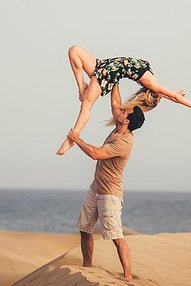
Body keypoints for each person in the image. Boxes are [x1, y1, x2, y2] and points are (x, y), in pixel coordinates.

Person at [57, 45, 191, 155]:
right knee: (74, 51)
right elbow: (173, 96)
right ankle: (80, 86)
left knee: (86, 104)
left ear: (152, 93)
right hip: (104, 65)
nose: (162, 95)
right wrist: (175, 96)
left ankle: (71, 138)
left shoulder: (152, 84)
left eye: (159, 96)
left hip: (110, 74)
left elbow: (173, 96)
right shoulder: (152, 82)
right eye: (161, 97)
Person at [67, 82, 144, 282]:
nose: (121, 110)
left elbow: (95, 154)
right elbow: (115, 103)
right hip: (96, 188)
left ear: (126, 120)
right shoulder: (119, 127)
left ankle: (127, 276)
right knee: (85, 228)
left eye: (125, 111)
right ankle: (87, 266)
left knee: (116, 237)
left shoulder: (123, 143)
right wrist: (114, 80)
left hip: (110, 195)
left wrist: (76, 138)